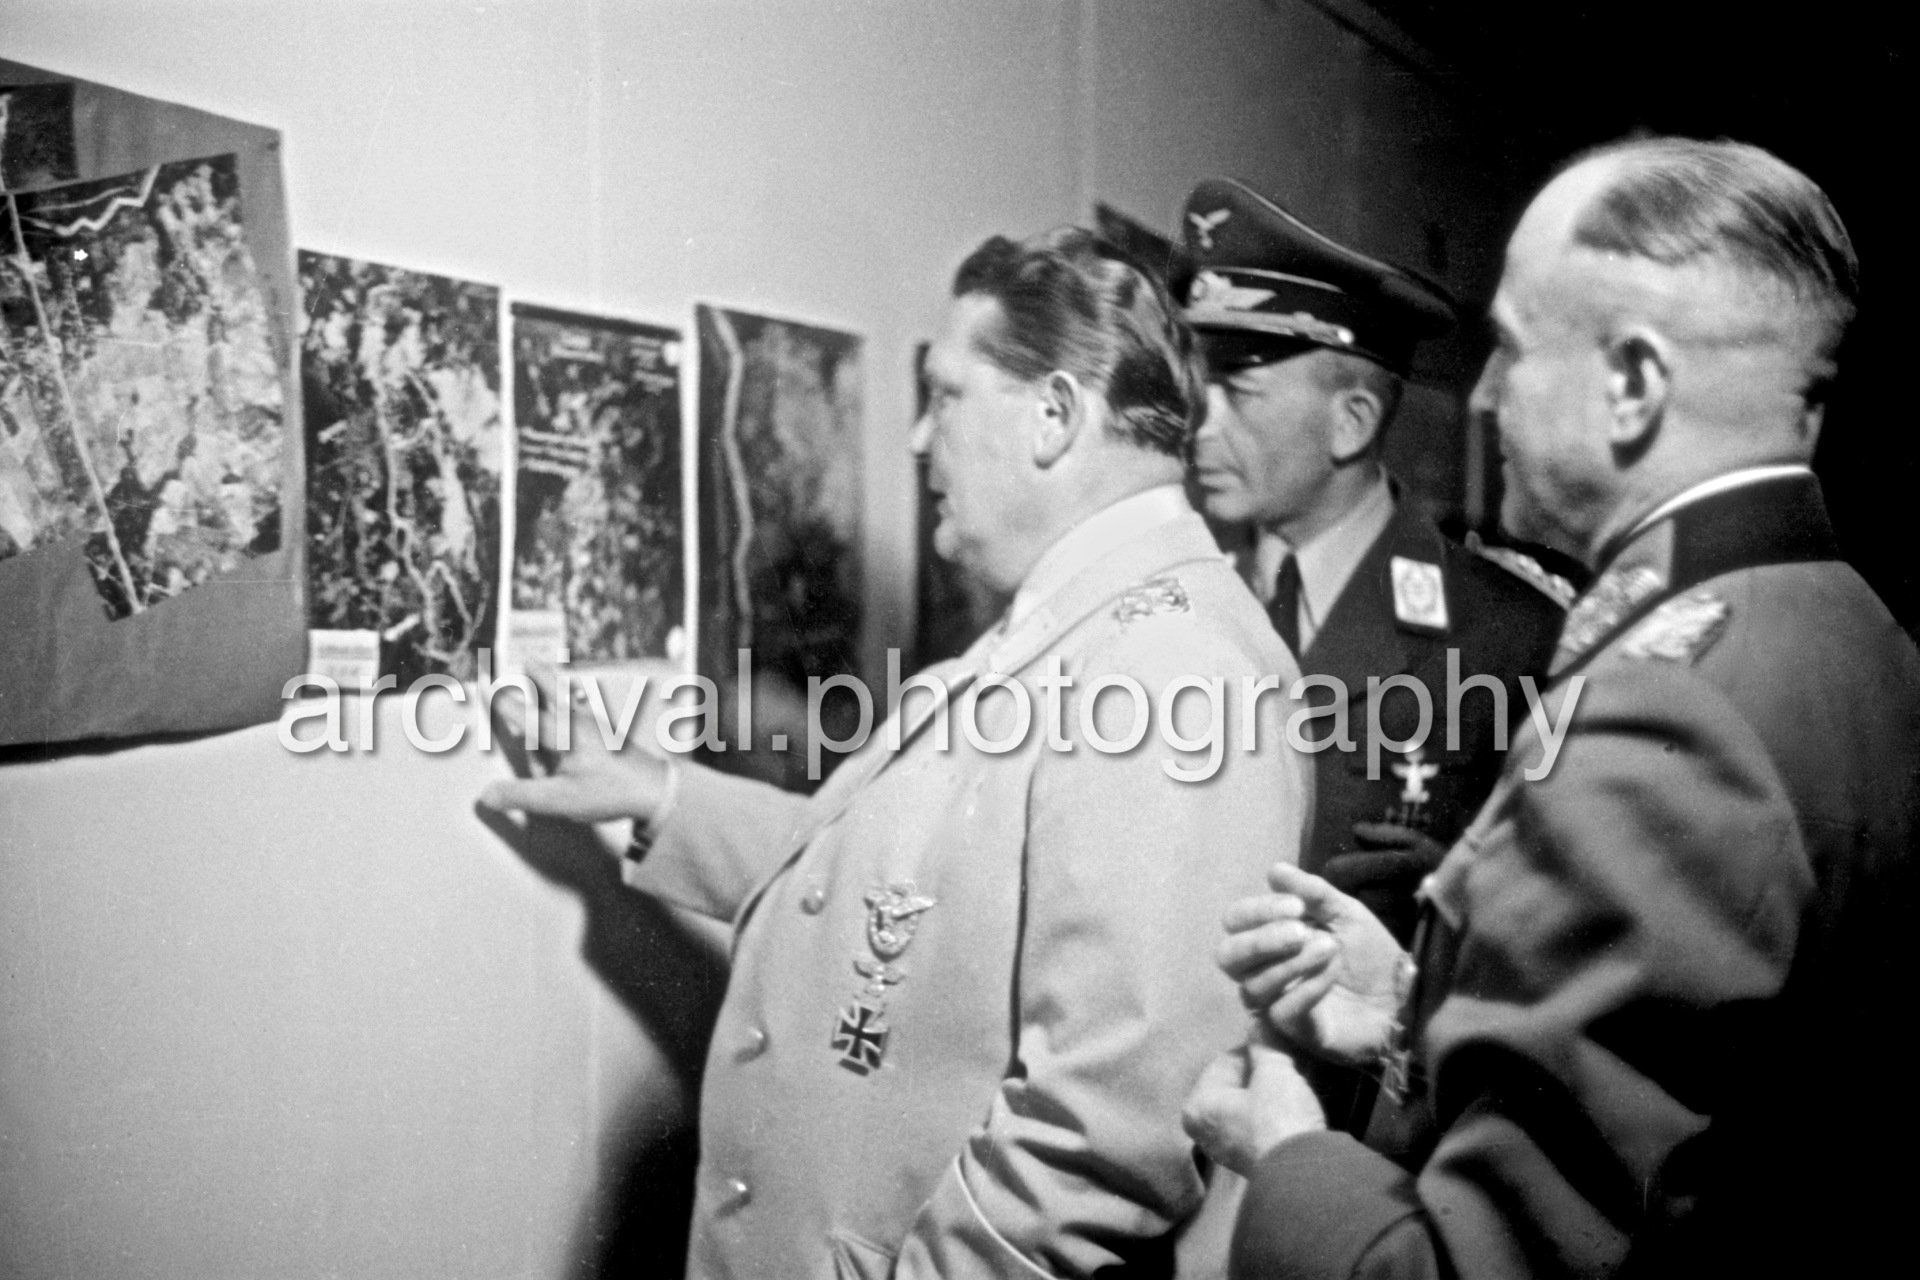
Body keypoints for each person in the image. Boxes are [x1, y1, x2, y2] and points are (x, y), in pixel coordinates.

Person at [481, 228, 1309, 1278]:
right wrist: (659, 796)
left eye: (947, 395)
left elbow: (1100, 1142)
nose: (919, 438)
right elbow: (905, 892)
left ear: (1055, 416)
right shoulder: (1077, 627)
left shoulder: (1173, 670)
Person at [1181, 137, 1920, 1279]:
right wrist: (1411, 1009)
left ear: (1633, 384)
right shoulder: (1847, 626)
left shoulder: (1672, 718)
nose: (1480, 397)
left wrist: (1284, 1156)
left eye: (1513, 350)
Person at [1179, 177, 1567, 950]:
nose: (1202, 430)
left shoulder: (1512, 636)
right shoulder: (1180, 599)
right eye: (1201, 396)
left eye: (1239, 396)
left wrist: (1461, 911)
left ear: (1350, 423)